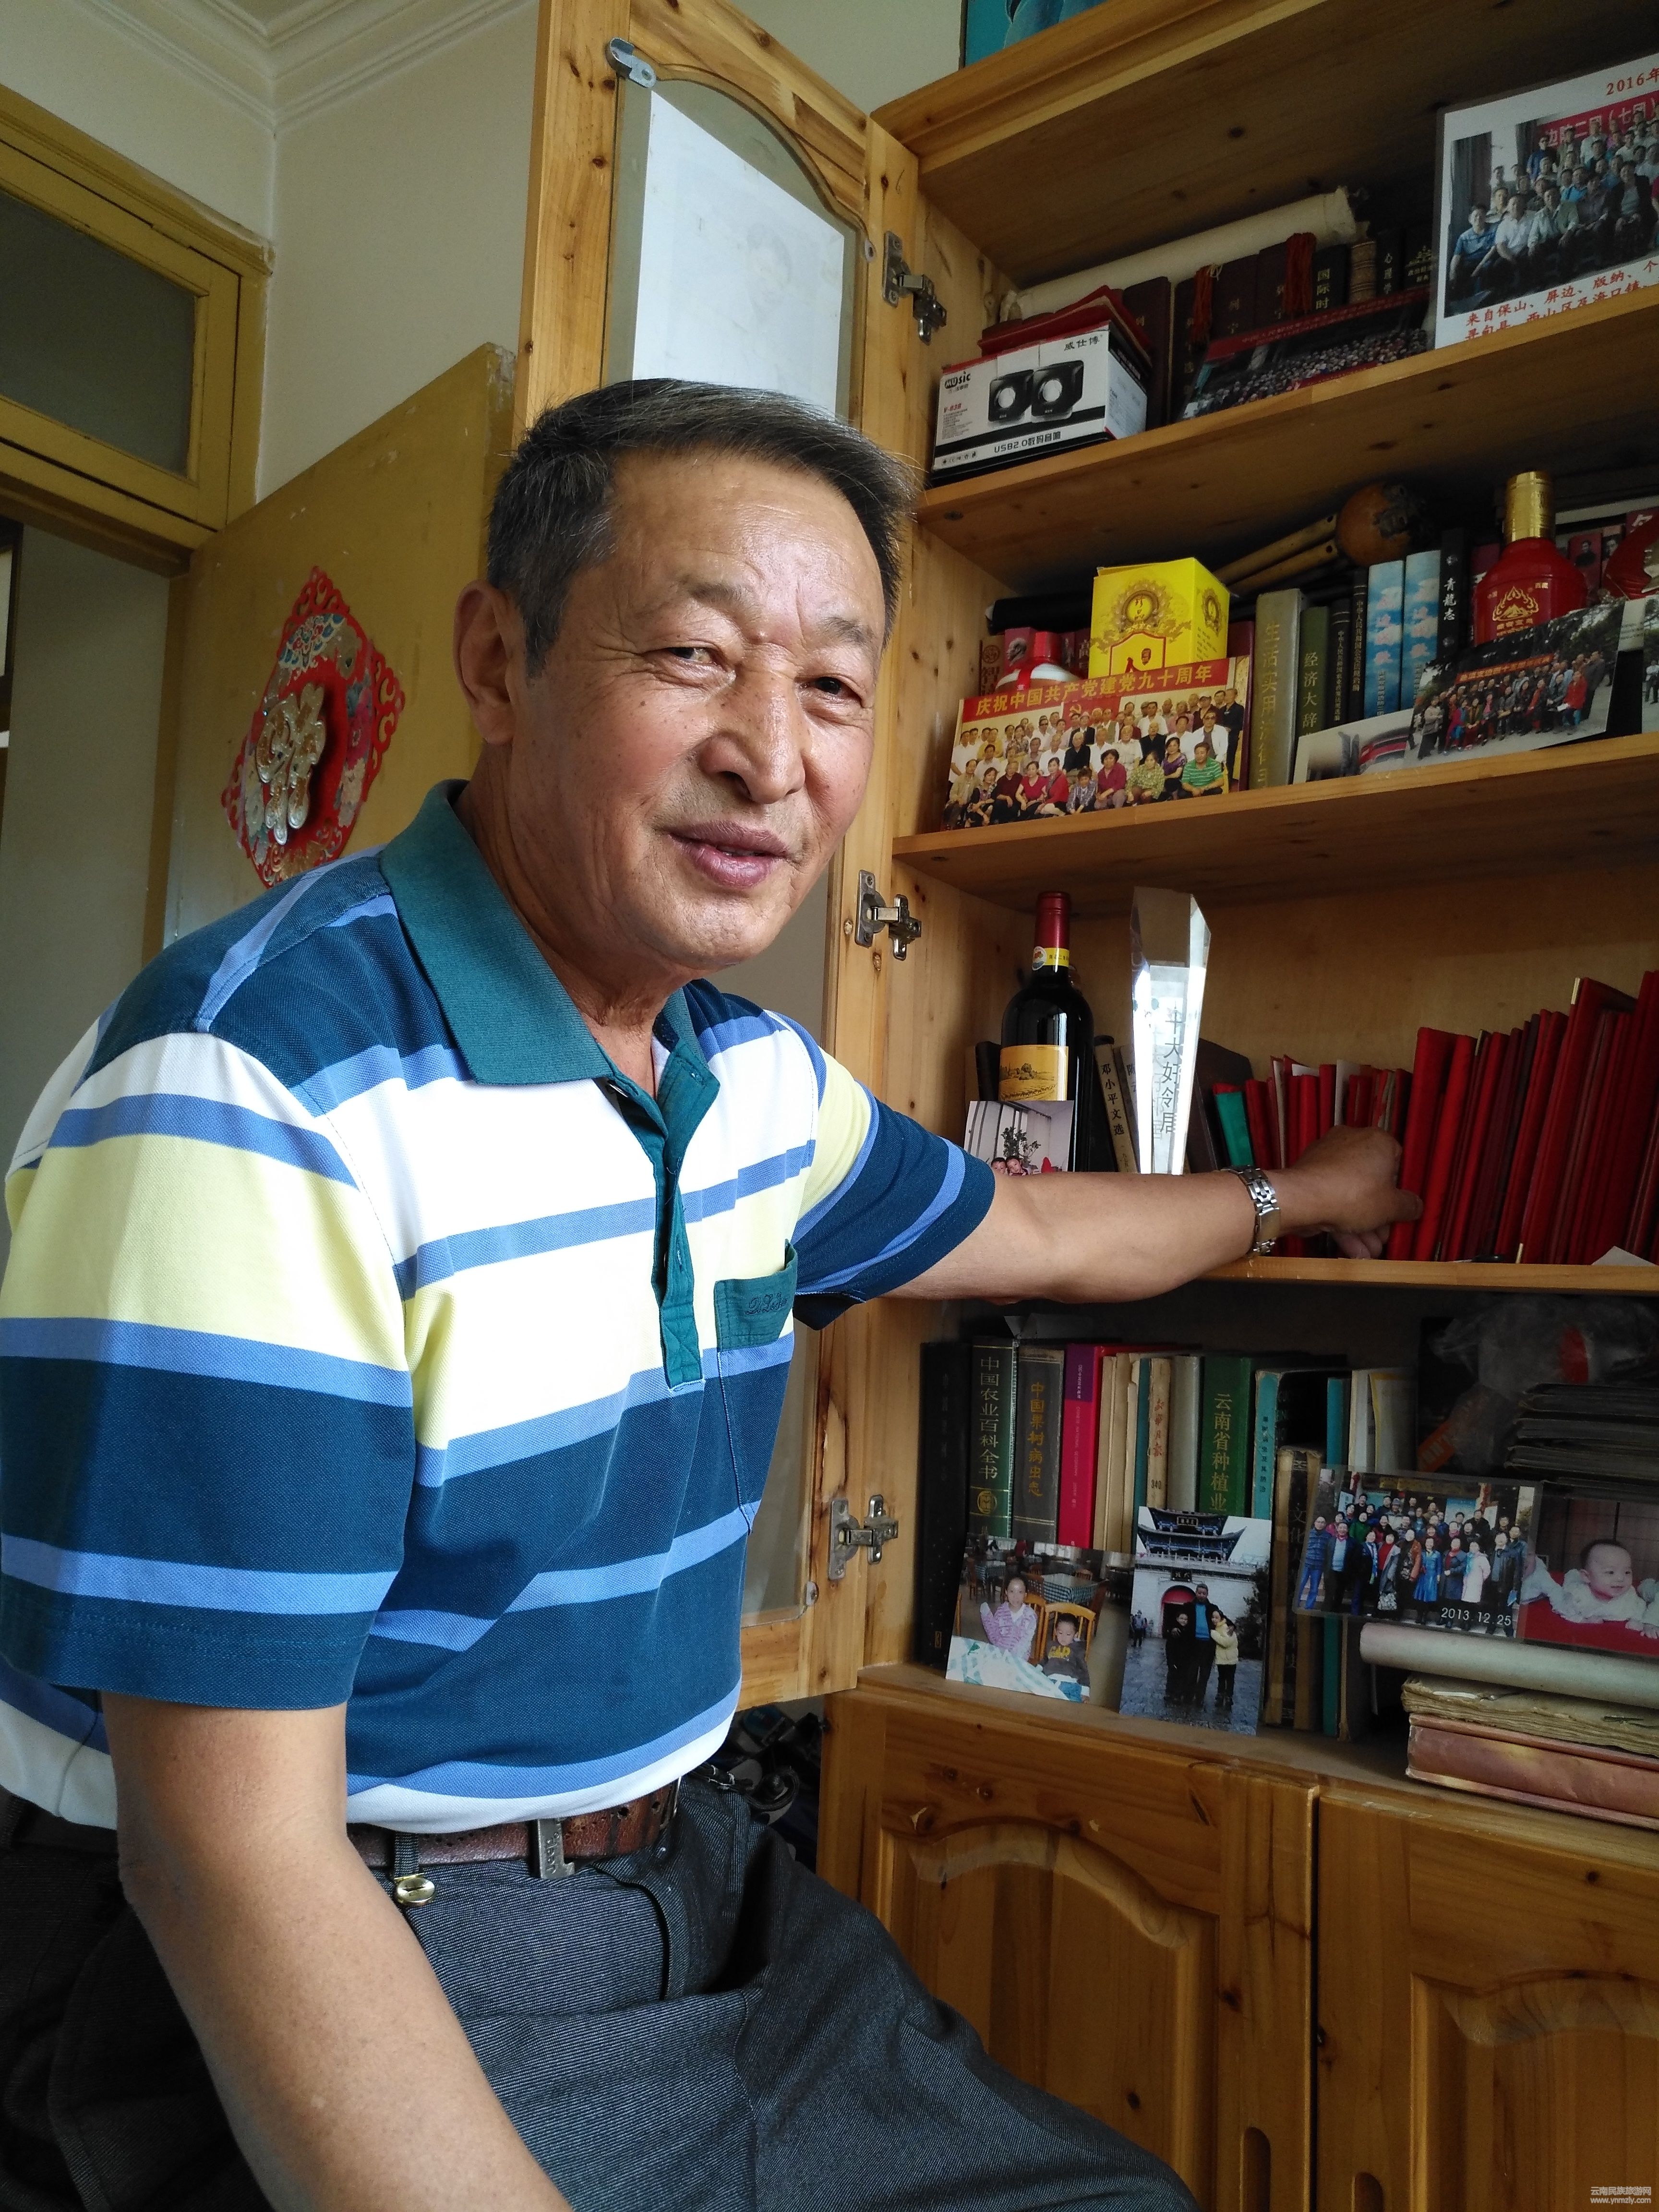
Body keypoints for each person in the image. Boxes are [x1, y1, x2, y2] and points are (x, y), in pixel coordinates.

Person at [0, 378, 1415, 2212]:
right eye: (692, 654)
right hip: (331, 1935)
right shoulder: (256, 1080)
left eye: (830, 683)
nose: (771, 752)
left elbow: (1039, 1229)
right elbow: (225, 1858)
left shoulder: (750, 1084)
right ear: (498, 661)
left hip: (695, 1883)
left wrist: (1301, 1192)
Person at [980, 1574, 1039, 1660]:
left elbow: (1025, 1642)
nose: (1016, 1596)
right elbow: (994, 1635)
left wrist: (1013, 1659)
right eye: (1012, 1591)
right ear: (1006, 1592)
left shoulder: (1030, 1616)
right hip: (1000, 1655)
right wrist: (987, 1617)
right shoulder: (1001, 1612)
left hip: (1020, 1658)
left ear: (1025, 1594)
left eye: (1020, 1592)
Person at [1163, 1606, 1196, 1707]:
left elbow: (1191, 1647)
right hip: (1174, 1658)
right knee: (1172, 1676)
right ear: (1177, 1619)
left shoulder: (1189, 1632)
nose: (1184, 1621)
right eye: (1182, 1618)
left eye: (1186, 1619)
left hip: (1185, 1660)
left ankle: (1178, 1695)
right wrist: (1171, 1661)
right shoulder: (1174, 1631)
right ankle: (1169, 1693)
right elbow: (1169, 1647)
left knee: (1182, 1678)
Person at [1209, 1611, 1239, 1713]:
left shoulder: (1225, 1627)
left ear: (1221, 1618)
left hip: (1230, 1659)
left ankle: (1229, 1698)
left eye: (1216, 1618)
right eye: (1213, 1617)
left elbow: (1226, 1642)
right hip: (1222, 1659)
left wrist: (1214, 1634)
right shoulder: (1217, 1628)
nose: (1214, 1620)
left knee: (1230, 1679)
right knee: (1222, 1678)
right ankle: (1221, 1696)